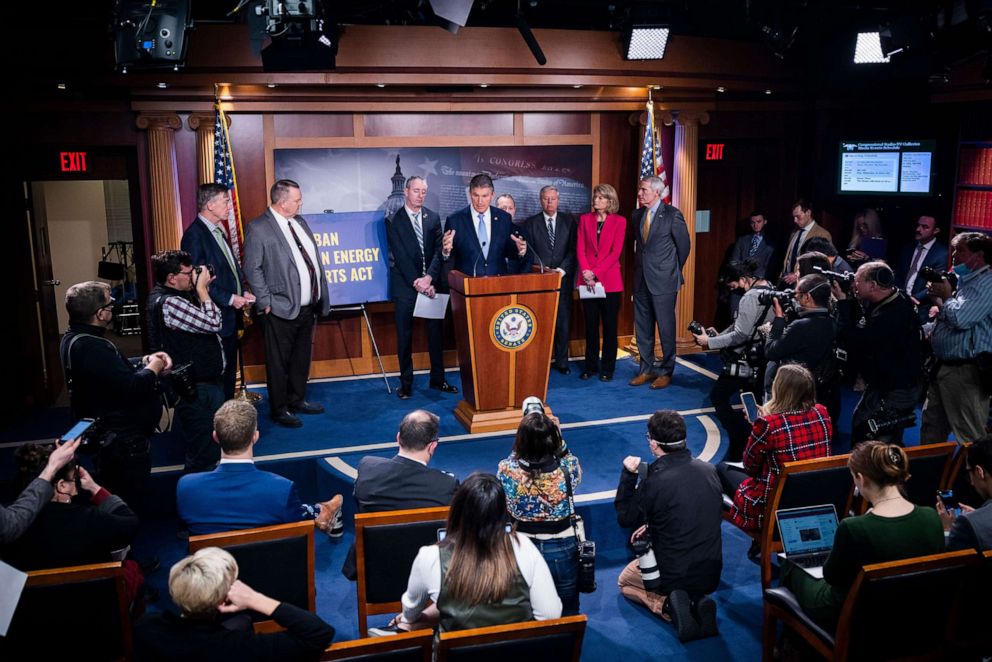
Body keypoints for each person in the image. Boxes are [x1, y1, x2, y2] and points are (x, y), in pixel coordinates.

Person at [780, 441, 944, 631]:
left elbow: (831, 577)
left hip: (854, 615)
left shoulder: (854, 527)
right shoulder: (931, 516)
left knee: (791, 564)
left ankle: (792, 645)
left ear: (861, 478)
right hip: (914, 613)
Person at [373, 473, 561, 635]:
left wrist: (411, 620)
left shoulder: (429, 557)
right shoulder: (523, 546)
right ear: (502, 513)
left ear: (457, 510)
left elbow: (411, 611)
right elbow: (551, 614)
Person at [60, 281, 171, 511]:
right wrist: (156, 365)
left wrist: (143, 362)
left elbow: (109, 372)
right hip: (122, 441)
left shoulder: (72, 338)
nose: (113, 309)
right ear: (100, 314)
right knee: (126, 506)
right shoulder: (92, 346)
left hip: (109, 434)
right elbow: (133, 385)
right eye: (110, 305)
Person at [614, 410, 723, 641]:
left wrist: (628, 475)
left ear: (653, 444)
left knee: (624, 583)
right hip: (711, 573)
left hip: (673, 575)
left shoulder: (654, 481)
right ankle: (697, 601)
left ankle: (667, 607)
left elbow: (625, 517)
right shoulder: (710, 470)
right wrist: (652, 526)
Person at [176, 399, 343, 537]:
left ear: (215, 437)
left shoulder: (187, 487)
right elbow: (296, 530)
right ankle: (323, 510)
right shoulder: (281, 489)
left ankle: (322, 509)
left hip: (213, 575)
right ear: (255, 437)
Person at [134, 547, 335, 660]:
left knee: (242, 621)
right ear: (224, 599)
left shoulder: (145, 628)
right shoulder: (241, 647)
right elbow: (319, 634)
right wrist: (255, 599)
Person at [243, 179, 331, 428]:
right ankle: (279, 408)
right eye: (297, 199)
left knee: (301, 357)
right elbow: (252, 268)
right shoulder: (258, 228)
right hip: (279, 308)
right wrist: (265, 302)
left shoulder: (300, 222)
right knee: (278, 361)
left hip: (307, 306)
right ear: (282, 202)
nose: (301, 202)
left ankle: (297, 399)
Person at [5, 443, 143, 602]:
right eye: (75, 480)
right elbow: (131, 522)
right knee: (132, 567)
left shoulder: (9, 526)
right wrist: (94, 487)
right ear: (62, 486)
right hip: (94, 614)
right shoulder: (90, 520)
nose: (77, 487)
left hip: (30, 616)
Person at [342, 409, 459, 580]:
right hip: (426, 572)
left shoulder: (367, 468)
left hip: (374, 568)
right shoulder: (445, 485)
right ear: (432, 446)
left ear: (398, 438)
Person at [719, 364, 833, 536]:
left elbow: (750, 467)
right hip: (816, 495)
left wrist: (757, 427)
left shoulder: (768, 424)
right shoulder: (822, 412)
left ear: (779, 389)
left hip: (775, 504)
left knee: (721, 469)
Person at [148, 250, 226, 474]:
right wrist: (201, 289)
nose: (193, 276)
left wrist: (201, 289)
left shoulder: (173, 297)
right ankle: (196, 502)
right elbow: (213, 322)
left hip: (201, 384)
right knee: (204, 454)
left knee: (208, 449)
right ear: (172, 278)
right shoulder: (171, 302)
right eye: (188, 272)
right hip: (196, 390)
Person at [498, 412, 582, 616]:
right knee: (567, 605)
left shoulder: (507, 469)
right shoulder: (567, 469)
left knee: (523, 604)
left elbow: (514, 457)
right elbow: (567, 457)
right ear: (552, 440)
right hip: (562, 546)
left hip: (521, 546)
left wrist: (526, 436)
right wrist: (559, 438)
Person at [693, 259, 775, 460]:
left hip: (745, 359)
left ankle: (740, 439)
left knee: (719, 396)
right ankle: (757, 442)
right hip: (763, 357)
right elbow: (746, 326)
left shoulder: (749, 298)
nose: (731, 290)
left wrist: (709, 342)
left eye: (732, 285)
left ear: (743, 279)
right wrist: (720, 335)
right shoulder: (770, 288)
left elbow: (741, 334)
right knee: (755, 401)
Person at [833, 262, 923, 446]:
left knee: (878, 438)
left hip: (897, 387)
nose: (853, 285)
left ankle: (878, 471)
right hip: (885, 383)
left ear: (873, 286)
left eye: (857, 281)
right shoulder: (895, 298)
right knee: (864, 424)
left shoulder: (890, 317)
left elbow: (856, 341)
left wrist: (843, 303)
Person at [181, 183, 256, 400]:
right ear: (210, 204)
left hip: (230, 317)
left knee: (229, 374)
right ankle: (220, 425)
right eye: (225, 201)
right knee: (220, 376)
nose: (229, 207)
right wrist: (231, 298)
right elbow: (198, 280)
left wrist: (244, 290)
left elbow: (229, 268)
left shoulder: (218, 230)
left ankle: (228, 419)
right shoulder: (195, 235)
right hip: (215, 317)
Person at [386, 175, 457, 399]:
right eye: (416, 190)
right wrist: (418, 283)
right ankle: (405, 384)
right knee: (404, 336)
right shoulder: (393, 220)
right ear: (406, 192)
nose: (420, 195)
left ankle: (438, 379)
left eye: (424, 191)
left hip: (431, 284)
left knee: (436, 334)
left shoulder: (433, 218)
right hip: (407, 286)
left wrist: (429, 279)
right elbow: (400, 256)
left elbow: (439, 252)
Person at [921, 231, 992, 444]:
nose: (954, 256)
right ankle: (933, 476)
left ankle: (977, 476)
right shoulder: (964, 280)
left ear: (979, 256)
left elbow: (961, 318)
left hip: (966, 372)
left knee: (970, 436)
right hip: (942, 368)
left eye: (961, 251)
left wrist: (945, 297)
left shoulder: (987, 283)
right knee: (931, 430)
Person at [629, 176, 691, 390]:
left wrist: (670, 271)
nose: (640, 193)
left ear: (657, 192)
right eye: (640, 189)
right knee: (643, 328)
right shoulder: (637, 215)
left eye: (644, 189)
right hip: (640, 281)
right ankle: (646, 369)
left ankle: (666, 371)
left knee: (665, 329)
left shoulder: (672, 215)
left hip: (664, 281)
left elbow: (684, 247)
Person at [764, 274, 839, 416]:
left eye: (797, 294)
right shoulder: (832, 322)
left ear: (807, 297)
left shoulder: (801, 326)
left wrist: (778, 320)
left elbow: (770, 351)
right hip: (813, 389)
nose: (794, 298)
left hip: (789, 390)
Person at [523, 185, 577, 374]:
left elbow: (573, 250)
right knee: (540, 322)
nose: (550, 202)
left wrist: (561, 270)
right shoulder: (530, 223)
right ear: (541, 200)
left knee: (562, 322)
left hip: (563, 280)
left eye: (553, 198)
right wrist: (542, 271)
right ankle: (540, 362)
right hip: (540, 281)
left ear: (558, 200)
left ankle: (562, 362)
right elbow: (529, 253)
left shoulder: (569, 222)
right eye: (546, 198)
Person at [576, 183, 626, 381]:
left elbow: (616, 253)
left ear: (610, 200)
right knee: (590, 327)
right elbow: (580, 248)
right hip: (587, 282)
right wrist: (587, 272)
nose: (596, 200)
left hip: (610, 282)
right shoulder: (584, 219)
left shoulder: (619, 221)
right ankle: (590, 367)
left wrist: (595, 272)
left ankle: (607, 369)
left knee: (610, 327)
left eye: (601, 197)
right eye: (595, 197)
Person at [443, 173, 531, 276]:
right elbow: (448, 260)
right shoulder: (455, 220)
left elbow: (508, 252)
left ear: (492, 195)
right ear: (470, 194)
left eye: (485, 196)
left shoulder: (504, 218)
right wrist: (446, 252)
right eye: (476, 195)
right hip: (467, 286)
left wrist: (520, 250)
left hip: (497, 285)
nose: (480, 201)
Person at [0, 437, 79, 546]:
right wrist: (51, 468)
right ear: (62, 485)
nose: (77, 491)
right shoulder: (88, 521)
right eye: (75, 479)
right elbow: (7, 528)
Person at [939, 435, 992, 551]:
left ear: (979, 472)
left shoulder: (967, 524)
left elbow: (950, 561)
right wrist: (979, 514)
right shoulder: (974, 521)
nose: (972, 483)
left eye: (969, 472)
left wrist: (947, 529)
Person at [899, 215, 949, 323]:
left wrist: (913, 299)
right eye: (918, 225)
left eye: (924, 227)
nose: (918, 229)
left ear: (936, 230)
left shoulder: (942, 254)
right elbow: (900, 274)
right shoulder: (908, 248)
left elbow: (936, 283)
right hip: (900, 303)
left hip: (922, 307)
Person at [781, 198, 832, 286]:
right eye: (793, 217)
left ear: (808, 213)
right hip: (786, 282)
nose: (795, 220)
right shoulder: (794, 233)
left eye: (798, 216)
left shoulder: (822, 234)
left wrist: (797, 276)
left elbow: (823, 264)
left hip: (805, 284)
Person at [729, 211, 776, 280]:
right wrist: (743, 277)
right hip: (741, 280)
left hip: (761, 281)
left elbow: (770, 267)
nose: (755, 225)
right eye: (752, 223)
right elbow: (733, 262)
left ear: (765, 222)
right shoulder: (742, 240)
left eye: (758, 222)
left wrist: (756, 279)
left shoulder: (771, 243)